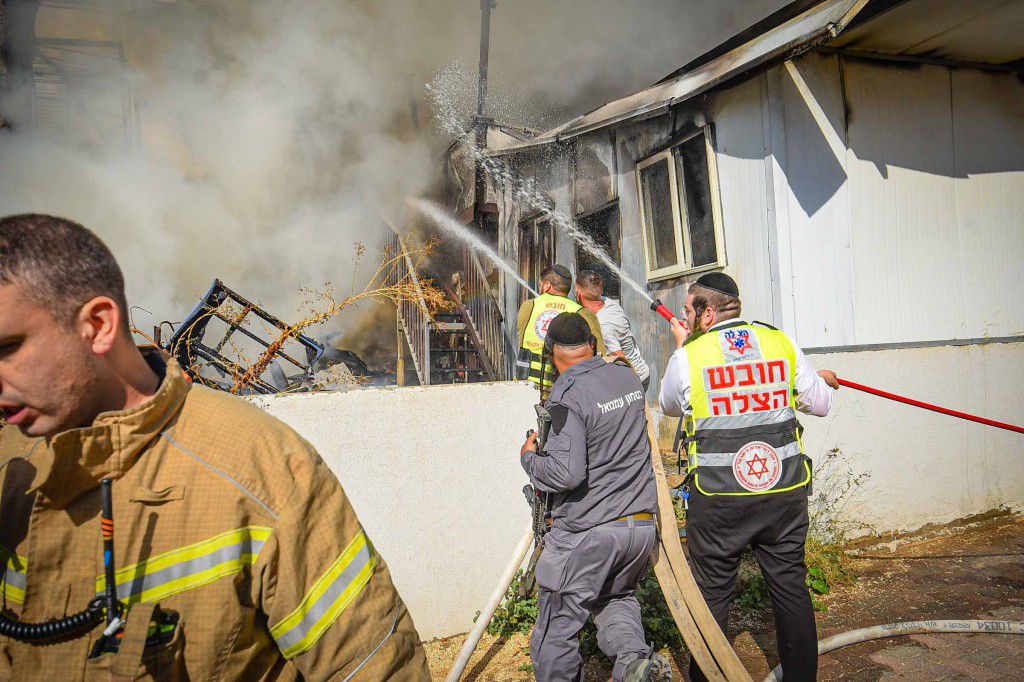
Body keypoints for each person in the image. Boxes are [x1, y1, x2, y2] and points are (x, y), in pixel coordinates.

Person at [0, 214, 429, 680]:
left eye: (8, 347)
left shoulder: (261, 468)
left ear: (99, 325)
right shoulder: (10, 468)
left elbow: (370, 665)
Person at [658, 272, 839, 682]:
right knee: (790, 586)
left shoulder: (689, 357)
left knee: (712, 593)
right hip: (783, 492)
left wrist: (683, 346)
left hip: (719, 499)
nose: (684, 319)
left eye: (688, 311)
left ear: (706, 313)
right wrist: (813, 382)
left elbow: (669, 405)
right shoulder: (780, 342)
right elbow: (820, 404)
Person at [519, 312, 669, 682]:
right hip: (638, 529)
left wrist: (529, 458)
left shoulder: (568, 395)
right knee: (614, 598)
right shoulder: (626, 377)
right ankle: (634, 665)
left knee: (554, 634)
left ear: (552, 353)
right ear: (592, 343)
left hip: (590, 532)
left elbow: (566, 474)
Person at [516, 264, 605, 388]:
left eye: (540, 285)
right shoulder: (582, 312)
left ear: (547, 285)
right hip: (565, 388)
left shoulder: (529, 306)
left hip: (527, 386)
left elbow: (521, 338)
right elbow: (599, 354)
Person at [575, 269, 651, 391]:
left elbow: (619, 358)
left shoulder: (603, 325)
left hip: (633, 379)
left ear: (578, 293)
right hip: (642, 371)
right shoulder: (609, 303)